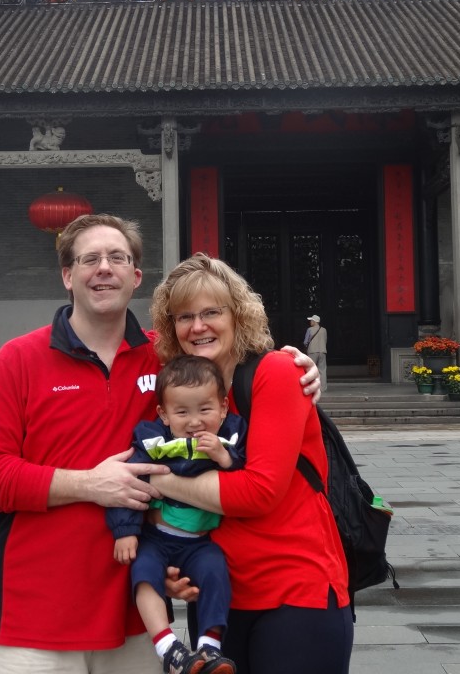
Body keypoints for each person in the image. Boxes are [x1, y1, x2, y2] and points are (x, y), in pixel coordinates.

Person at [0, 214, 320, 674]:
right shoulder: (19, 360)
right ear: (68, 276)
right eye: (90, 259)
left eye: (118, 258)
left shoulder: (171, 361)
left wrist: (296, 365)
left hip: (139, 619)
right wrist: (88, 484)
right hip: (37, 620)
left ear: (137, 277)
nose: (104, 268)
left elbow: (231, 385)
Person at [150, 254, 353, 674]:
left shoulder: (276, 372)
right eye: (184, 316)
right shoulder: (181, 390)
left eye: (211, 312)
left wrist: (155, 478)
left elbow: (258, 493)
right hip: (217, 599)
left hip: (294, 593)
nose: (198, 326)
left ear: (238, 316)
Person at [107, 355, 243, 674]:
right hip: (156, 538)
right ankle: (168, 647)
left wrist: (225, 457)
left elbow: (250, 470)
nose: (195, 421)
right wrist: (124, 531)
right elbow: (128, 479)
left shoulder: (230, 436)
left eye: (205, 410)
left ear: (223, 408)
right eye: (182, 412)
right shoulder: (153, 440)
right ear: (164, 414)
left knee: (216, 574)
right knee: (143, 576)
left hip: (200, 542)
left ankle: (210, 646)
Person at [304, 314, 328, 391]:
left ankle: (312, 387)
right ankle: (323, 388)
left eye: (311, 320)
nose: (310, 322)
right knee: (322, 370)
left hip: (312, 351)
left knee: (311, 369)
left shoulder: (309, 330)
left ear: (315, 321)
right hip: (322, 351)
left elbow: (305, 342)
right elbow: (325, 340)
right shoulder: (324, 330)